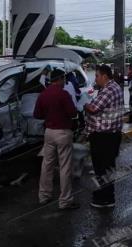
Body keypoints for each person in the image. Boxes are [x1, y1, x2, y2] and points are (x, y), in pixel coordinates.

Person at [33, 68, 79, 210]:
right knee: (65, 167)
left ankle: (44, 196)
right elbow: (73, 113)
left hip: (49, 132)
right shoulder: (64, 94)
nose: (65, 81)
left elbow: (37, 114)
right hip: (63, 132)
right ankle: (65, 201)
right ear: (60, 79)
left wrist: (49, 117)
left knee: (47, 165)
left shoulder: (43, 94)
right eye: (64, 79)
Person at [84, 65, 124, 208]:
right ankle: (106, 195)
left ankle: (105, 198)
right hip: (111, 135)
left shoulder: (108, 89)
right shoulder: (114, 87)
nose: (95, 79)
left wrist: (85, 104)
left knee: (102, 168)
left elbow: (94, 108)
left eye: (97, 76)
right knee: (107, 167)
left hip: (104, 137)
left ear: (105, 76)